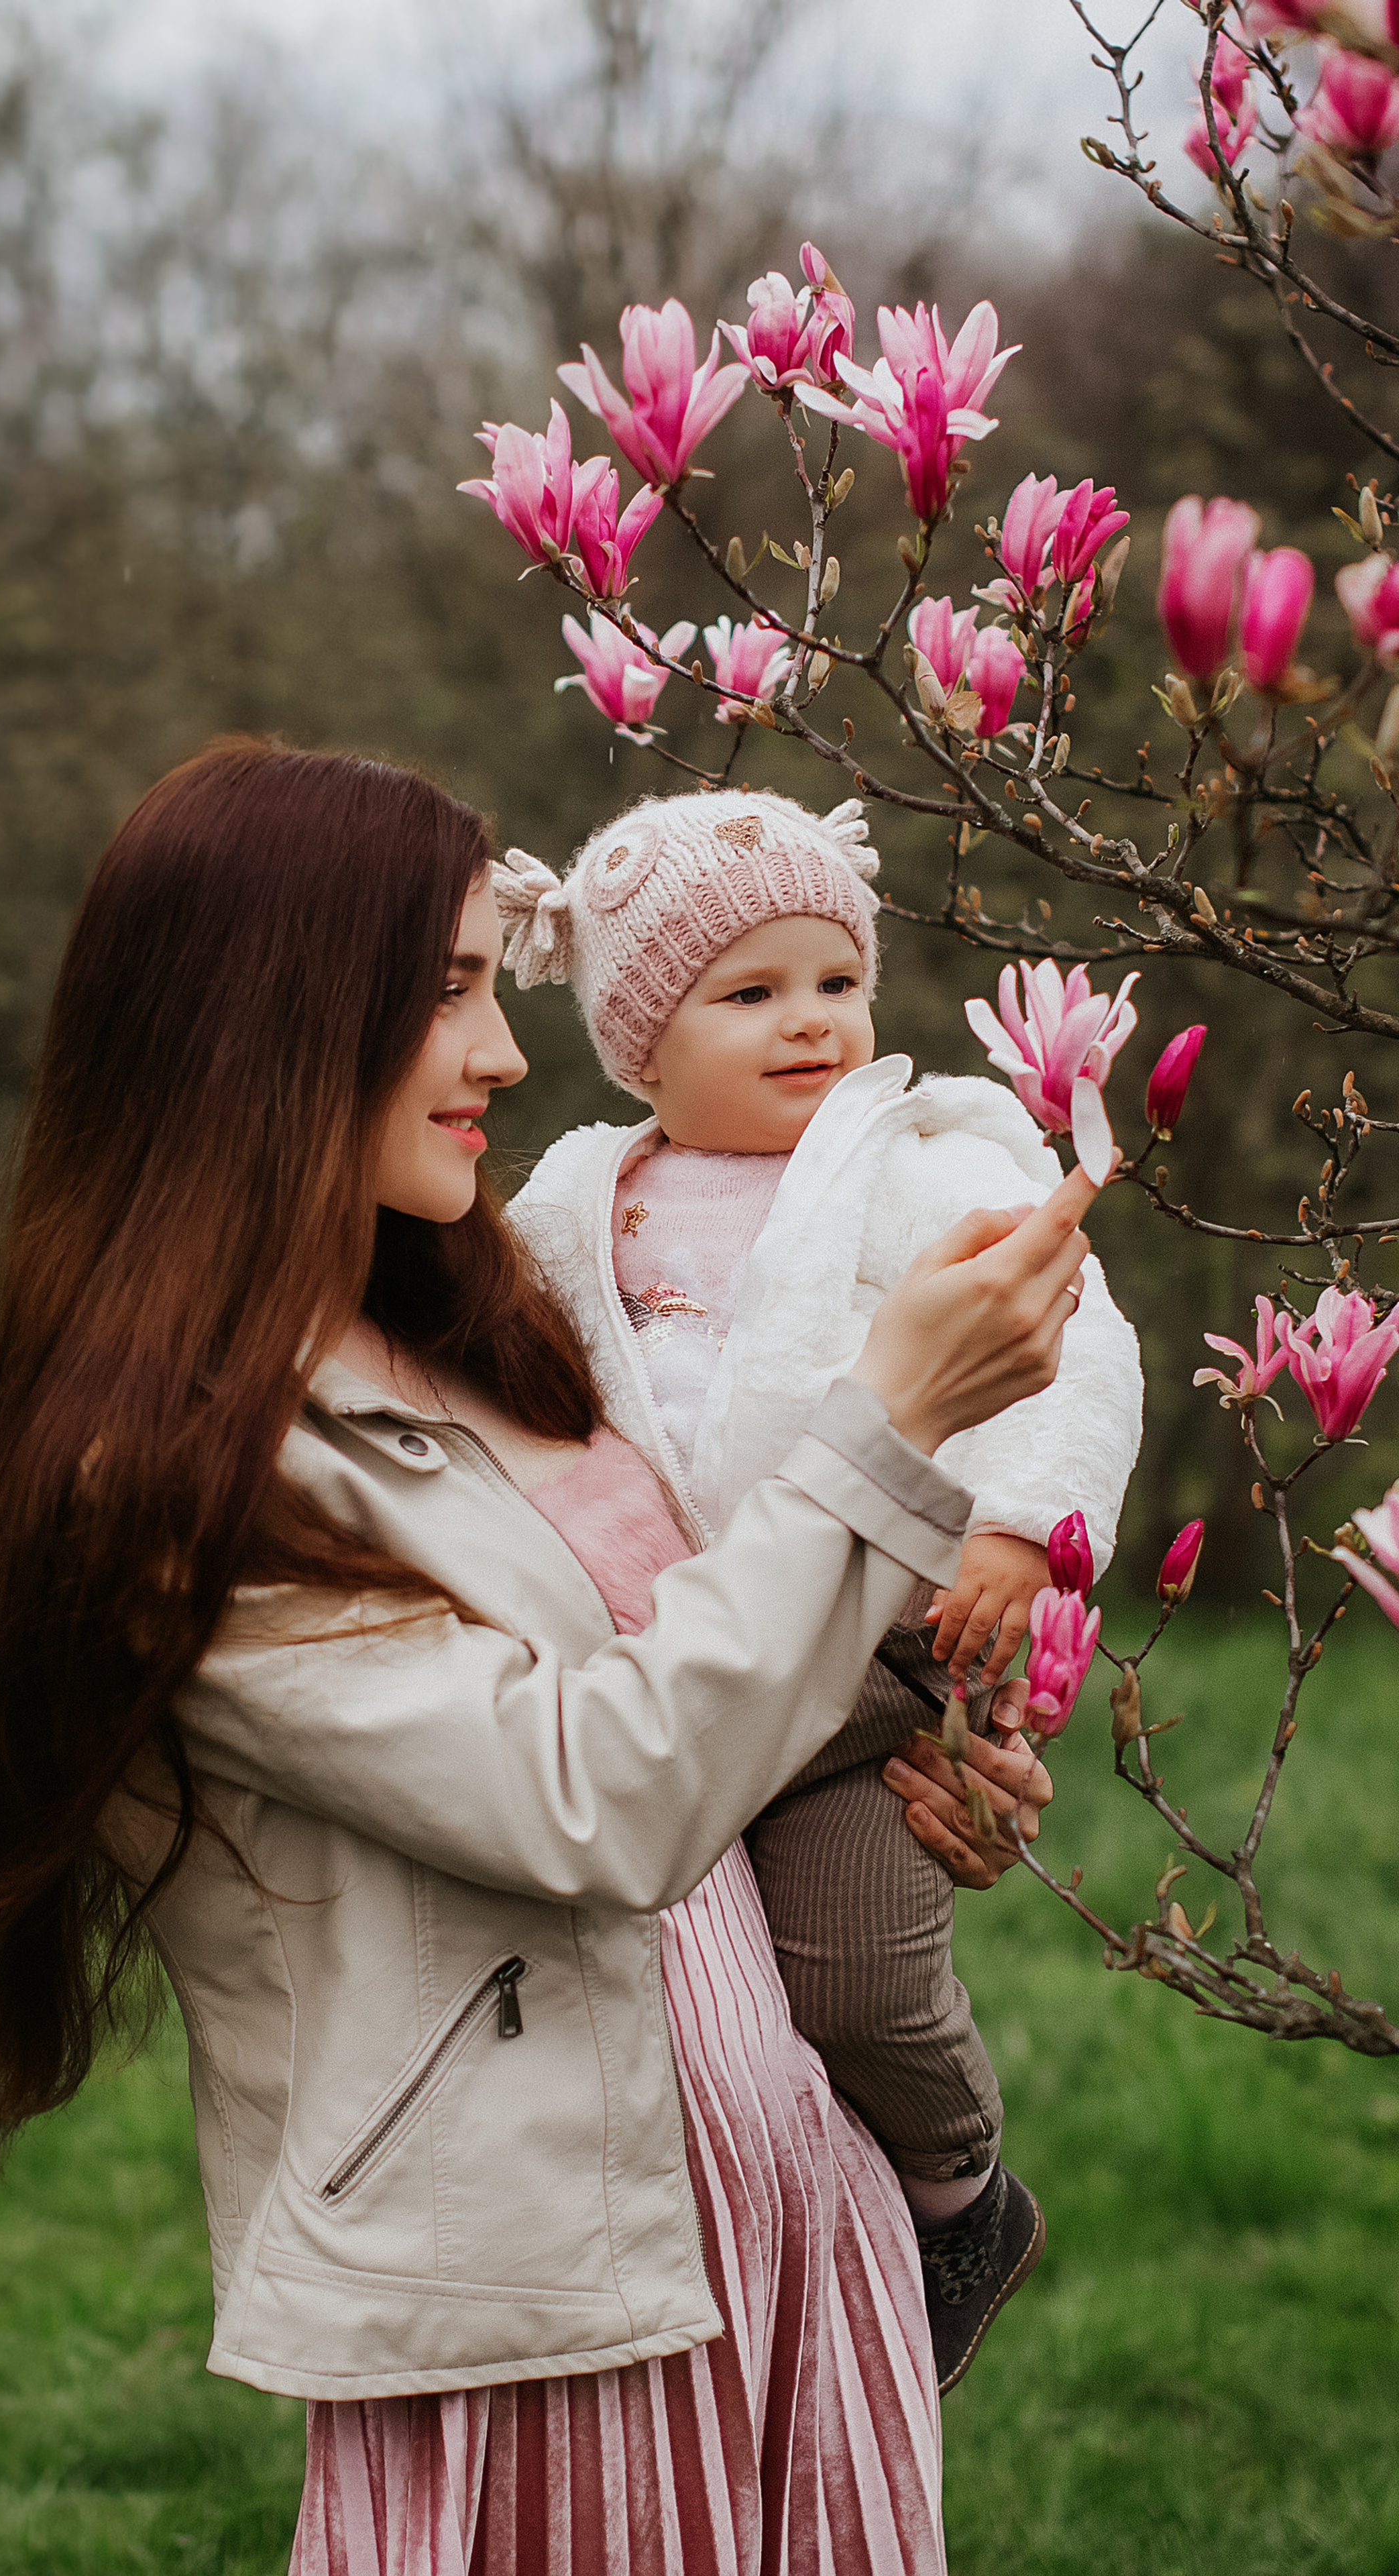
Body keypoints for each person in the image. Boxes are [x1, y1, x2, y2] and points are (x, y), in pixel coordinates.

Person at [0, 739, 1087, 2576]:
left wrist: (900, 1736)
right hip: (556, 2314)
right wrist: (891, 1424)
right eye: (447, 997)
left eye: (495, 990)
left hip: (781, 2211)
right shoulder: (172, 1480)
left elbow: (693, 1700)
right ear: (269, 1023)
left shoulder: (472, 1325)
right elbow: (590, 1797)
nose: (507, 1055)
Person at [494, 784, 1142, 2390]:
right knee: (712, 2021)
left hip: (879, 1653)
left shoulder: (916, 1169)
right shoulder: (577, 1205)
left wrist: (1013, 1529)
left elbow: (1073, 1346)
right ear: (639, 1046)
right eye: (751, 995)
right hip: (681, 1652)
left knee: (861, 1984)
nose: (811, 1026)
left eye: (835, 984)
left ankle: (958, 2192)